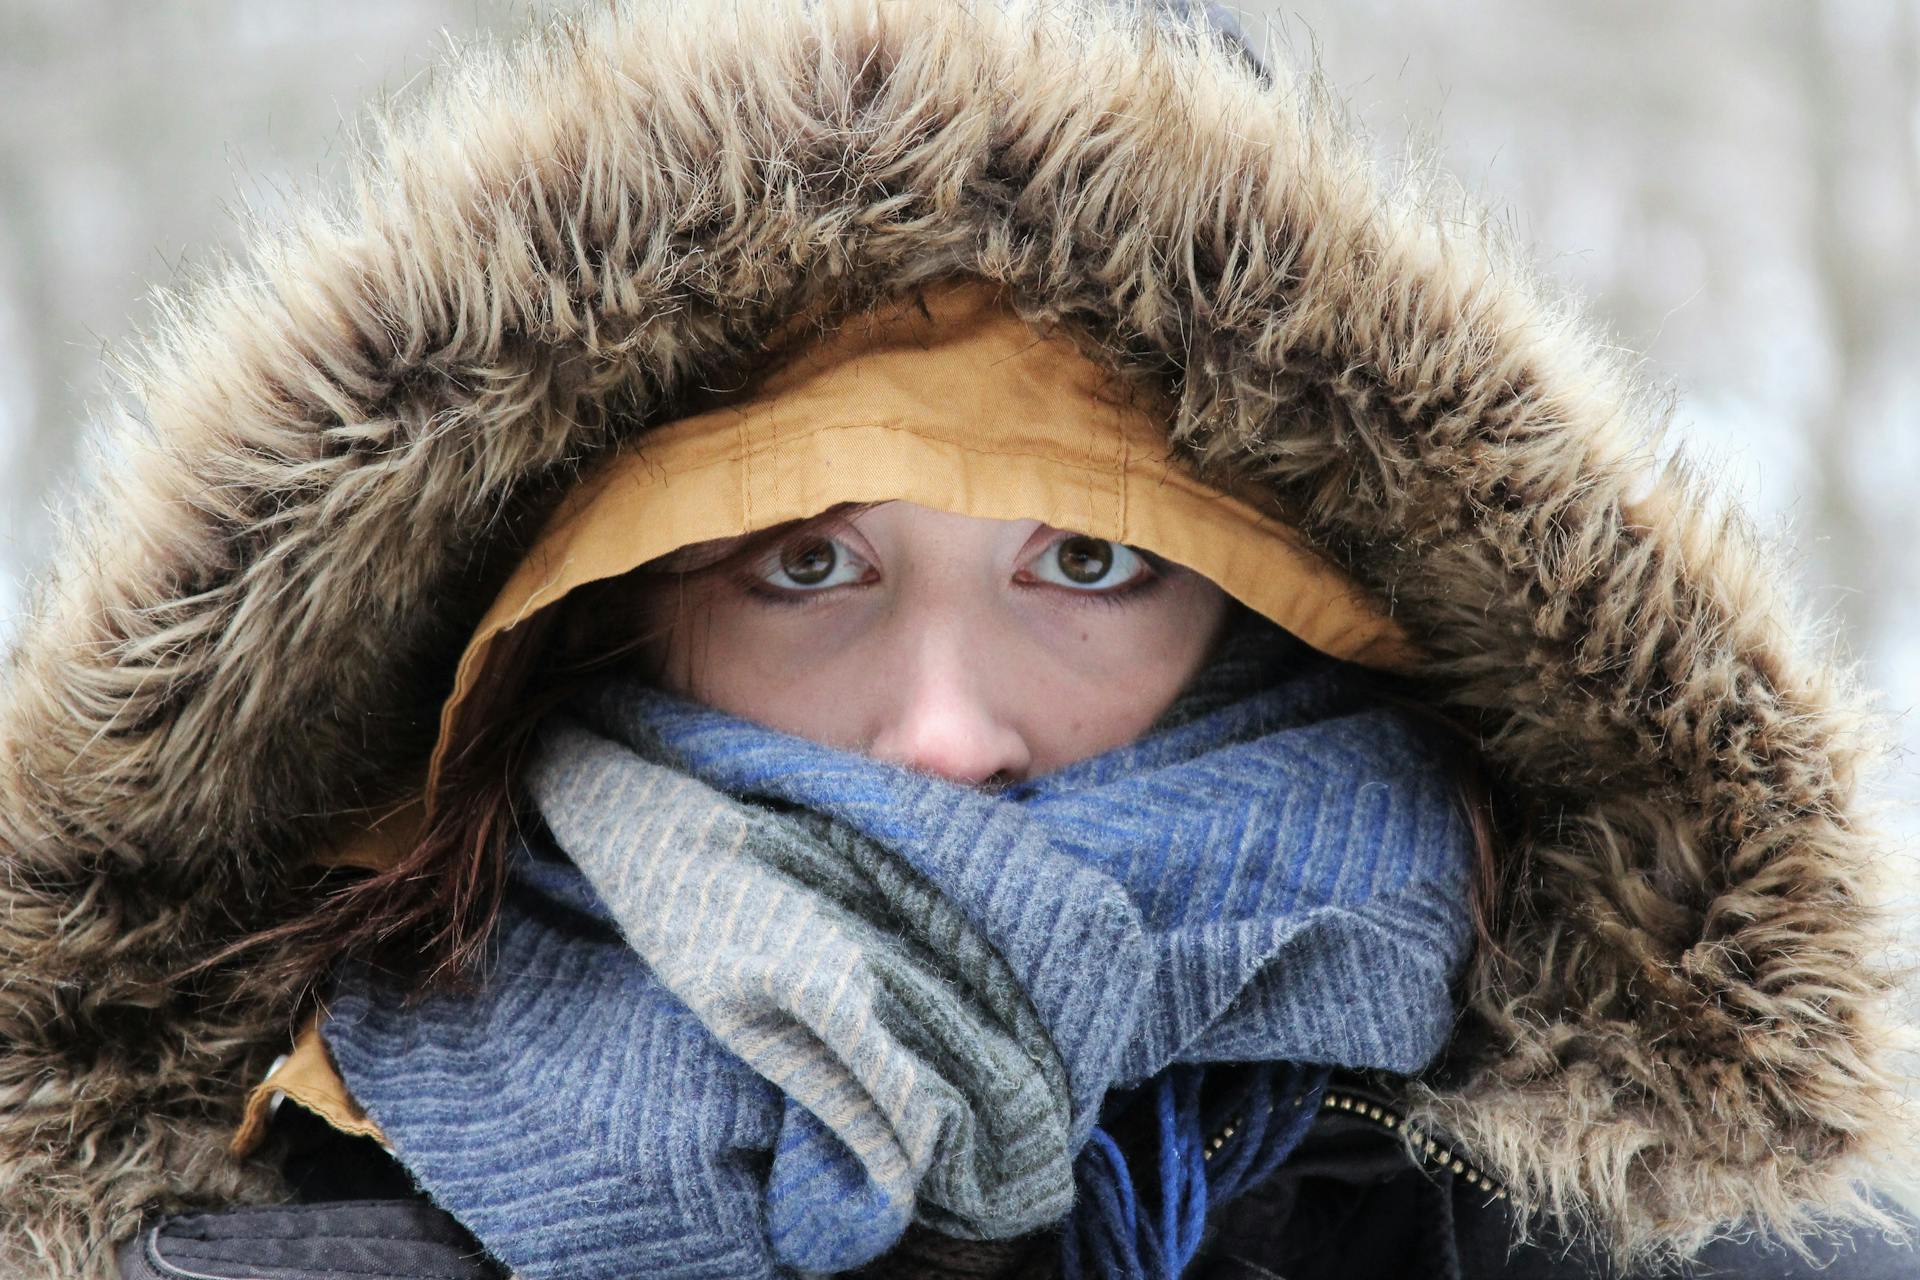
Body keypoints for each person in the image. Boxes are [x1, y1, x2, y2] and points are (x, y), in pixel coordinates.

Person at [0, 4, 1913, 1280]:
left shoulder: (1657, 1247)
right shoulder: (255, 1217)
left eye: (1086, 560)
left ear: (1292, 611)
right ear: (584, 628)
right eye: (805, 564)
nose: (943, 732)